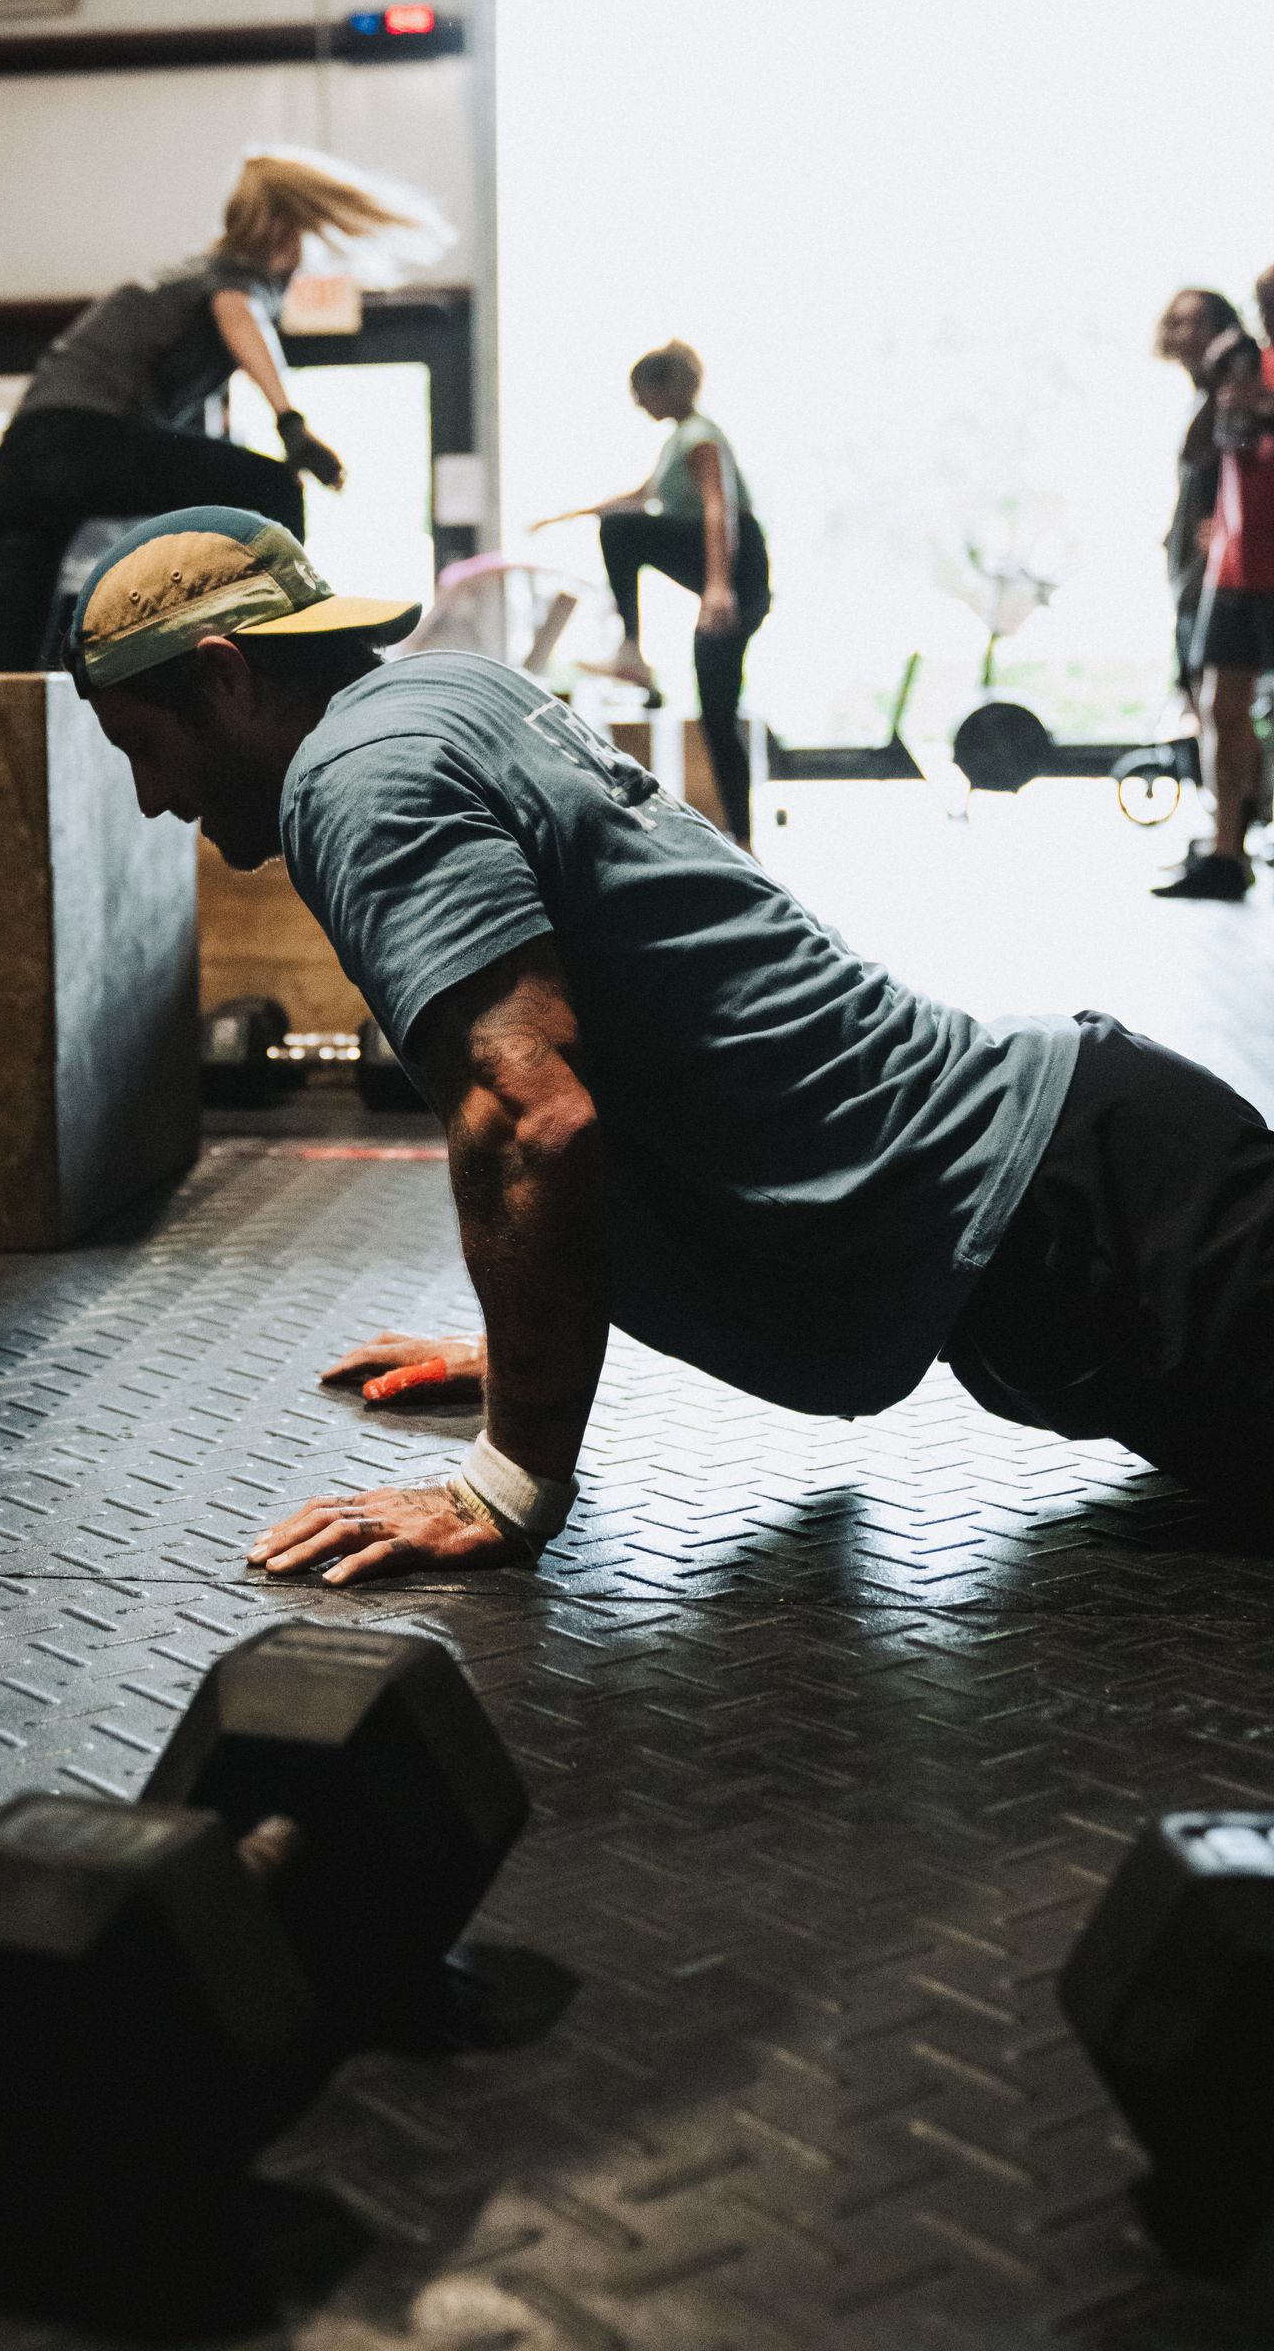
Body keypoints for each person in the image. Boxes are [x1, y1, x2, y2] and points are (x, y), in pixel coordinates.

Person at [66, 504, 1274, 1585]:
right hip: (1083, 1182)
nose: (152, 800)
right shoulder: (444, 695)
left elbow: (529, 1114)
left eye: (141, 747)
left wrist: (511, 1473)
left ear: (221, 677)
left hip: (1099, 1222)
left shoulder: (357, 780)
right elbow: (631, 1031)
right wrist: (533, 1327)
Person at [0, 153, 423, 671]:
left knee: (10, 646)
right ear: (284, 235)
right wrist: (290, 423)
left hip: (19, 463)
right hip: (83, 441)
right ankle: (293, 657)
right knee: (271, 486)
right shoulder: (230, 280)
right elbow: (240, 318)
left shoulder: (180, 284)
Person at [533, 339, 770, 848]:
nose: (637, 403)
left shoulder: (702, 437)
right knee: (620, 527)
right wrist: (566, 516)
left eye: (640, 392)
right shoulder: (678, 438)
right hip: (721, 565)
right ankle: (634, 653)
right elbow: (641, 499)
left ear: (663, 388)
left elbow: (718, 511)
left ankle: (745, 837)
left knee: (719, 712)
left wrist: (718, 589)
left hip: (738, 568)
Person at [1157, 325, 1274, 900]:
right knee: (1220, 707)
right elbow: (1196, 451)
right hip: (1235, 570)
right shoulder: (1241, 363)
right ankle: (1227, 853)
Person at [1155, 288, 1241, 708]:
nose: (1185, 333)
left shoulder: (1232, 393)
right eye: (1177, 322)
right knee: (1194, 685)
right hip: (1190, 557)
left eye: (1196, 322)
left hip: (1222, 559)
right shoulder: (1198, 398)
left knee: (1216, 689)